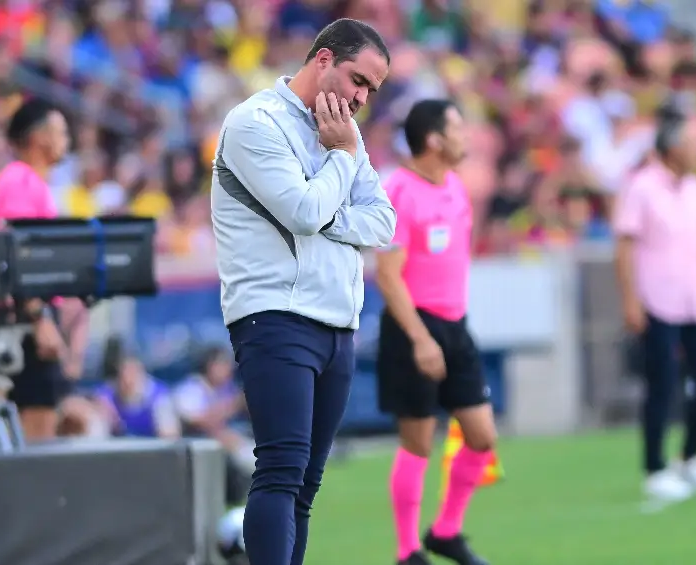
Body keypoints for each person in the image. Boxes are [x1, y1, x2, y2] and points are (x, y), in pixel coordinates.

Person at [210, 18, 395, 565]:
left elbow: (383, 222)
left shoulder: (344, 132)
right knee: (281, 468)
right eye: (358, 80)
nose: (361, 98)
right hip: (276, 313)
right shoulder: (255, 122)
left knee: (306, 486)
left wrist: (330, 209)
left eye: (372, 90)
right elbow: (304, 211)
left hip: (337, 320)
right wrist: (340, 158)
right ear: (323, 59)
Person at [375, 99, 495, 565]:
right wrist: (420, 339)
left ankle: (446, 531)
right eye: (458, 128)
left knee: (481, 436)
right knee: (418, 442)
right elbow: (388, 276)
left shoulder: (455, 186)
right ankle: (407, 550)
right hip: (414, 328)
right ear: (434, 139)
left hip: (456, 326)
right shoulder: (398, 192)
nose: (466, 137)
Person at [613, 118, 696, 503]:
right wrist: (630, 298)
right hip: (656, 299)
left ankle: (691, 456)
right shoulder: (642, 187)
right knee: (662, 385)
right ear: (674, 149)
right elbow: (625, 247)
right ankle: (654, 468)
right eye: (692, 143)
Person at [0, 98, 89, 441]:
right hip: (25, 320)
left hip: (32, 316)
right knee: (37, 426)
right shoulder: (19, 180)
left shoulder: (32, 182)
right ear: (39, 137)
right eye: (61, 132)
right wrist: (39, 318)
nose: (66, 140)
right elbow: (18, 253)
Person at [173, 346, 253, 504]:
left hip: (228, 442)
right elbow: (198, 423)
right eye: (223, 364)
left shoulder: (226, 389)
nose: (228, 370)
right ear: (210, 365)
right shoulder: (191, 389)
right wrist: (233, 405)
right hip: (194, 447)